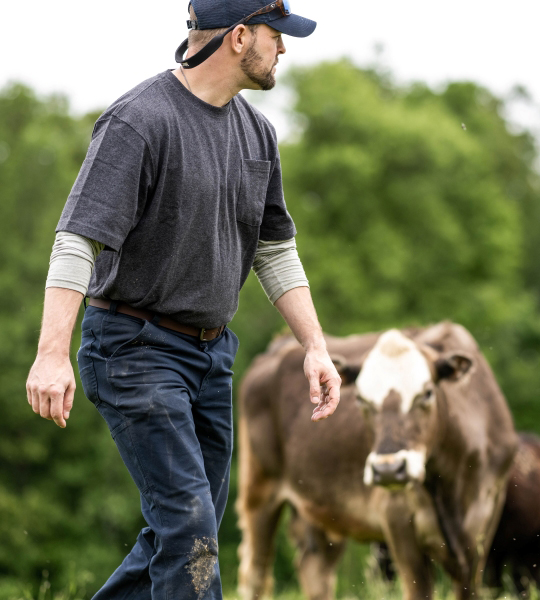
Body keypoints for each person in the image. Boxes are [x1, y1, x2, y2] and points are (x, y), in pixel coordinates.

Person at [26, 0, 342, 597]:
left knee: (181, 534)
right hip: (133, 350)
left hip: (211, 358)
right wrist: (50, 354)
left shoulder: (258, 134)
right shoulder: (138, 121)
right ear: (241, 36)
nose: (285, 49)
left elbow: (273, 251)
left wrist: (315, 347)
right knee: (190, 528)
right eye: (277, 36)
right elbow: (76, 242)